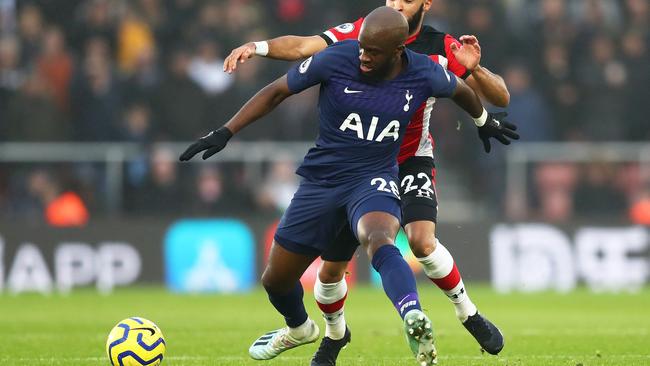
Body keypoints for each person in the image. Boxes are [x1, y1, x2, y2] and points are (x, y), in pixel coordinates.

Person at [181, 7, 517, 366]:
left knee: (383, 239)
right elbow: (278, 89)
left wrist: (483, 120)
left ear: (398, 50)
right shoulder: (339, 55)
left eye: (372, 51)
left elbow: (463, 89)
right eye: (362, 48)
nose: (363, 55)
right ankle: (307, 330)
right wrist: (225, 132)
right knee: (280, 280)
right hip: (323, 179)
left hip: (377, 175)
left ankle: (415, 316)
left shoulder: (426, 67)